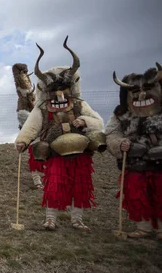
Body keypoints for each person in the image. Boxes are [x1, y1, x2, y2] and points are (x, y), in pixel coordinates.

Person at [15, 37, 105, 231]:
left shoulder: (80, 104)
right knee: (54, 185)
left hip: (80, 153)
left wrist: (85, 121)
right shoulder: (42, 107)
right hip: (55, 152)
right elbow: (32, 125)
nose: (60, 94)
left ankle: (77, 219)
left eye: (63, 89)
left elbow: (98, 121)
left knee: (79, 187)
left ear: (70, 88)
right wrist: (23, 140)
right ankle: (50, 219)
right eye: (55, 90)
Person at [105, 63, 162, 239]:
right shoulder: (121, 115)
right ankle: (143, 228)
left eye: (148, 88)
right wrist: (120, 144)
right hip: (134, 163)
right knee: (137, 195)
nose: (142, 94)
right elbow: (112, 133)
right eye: (135, 91)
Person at [12, 63, 45, 189]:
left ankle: (45, 177)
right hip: (27, 116)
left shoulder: (32, 92)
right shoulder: (23, 88)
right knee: (35, 148)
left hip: (34, 114)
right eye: (24, 72)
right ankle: (37, 180)